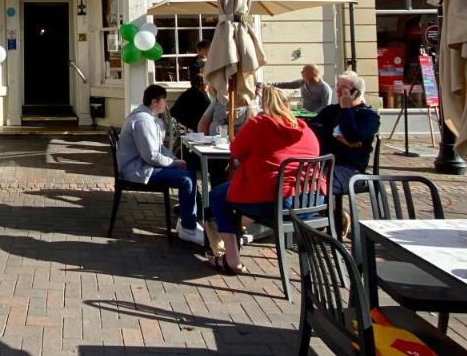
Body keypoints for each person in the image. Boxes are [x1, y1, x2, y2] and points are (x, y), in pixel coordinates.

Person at [208, 86, 320, 274]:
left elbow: (235, 150)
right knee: (245, 193)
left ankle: (232, 259)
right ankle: (240, 229)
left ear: (263, 105)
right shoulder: (305, 128)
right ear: (287, 105)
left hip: (278, 203)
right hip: (311, 200)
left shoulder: (259, 124)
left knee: (219, 196)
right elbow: (315, 154)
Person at [117, 84, 203, 245]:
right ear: (154, 102)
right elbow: (151, 156)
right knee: (186, 180)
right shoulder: (143, 121)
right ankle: (188, 227)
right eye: (164, 100)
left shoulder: (149, 118)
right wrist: (173, 163)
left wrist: (175, 161)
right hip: (137, 169)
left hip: (144, 165)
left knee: (189, 172)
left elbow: (159, 148)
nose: (166, 104)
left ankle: (187, 221)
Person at [311, 71, 380, 200]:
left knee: (316, 184)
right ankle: (324, 214)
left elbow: (353, 136)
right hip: (322, 163)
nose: (338, 91)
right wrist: (335, 135)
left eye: (343, 89)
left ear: (356, 92)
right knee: (296, 178)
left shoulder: (368, 115)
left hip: (349, 168)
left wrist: (346, 109)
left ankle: (323, 216)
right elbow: (312, 128)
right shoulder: (330, 110)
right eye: (337, 87)